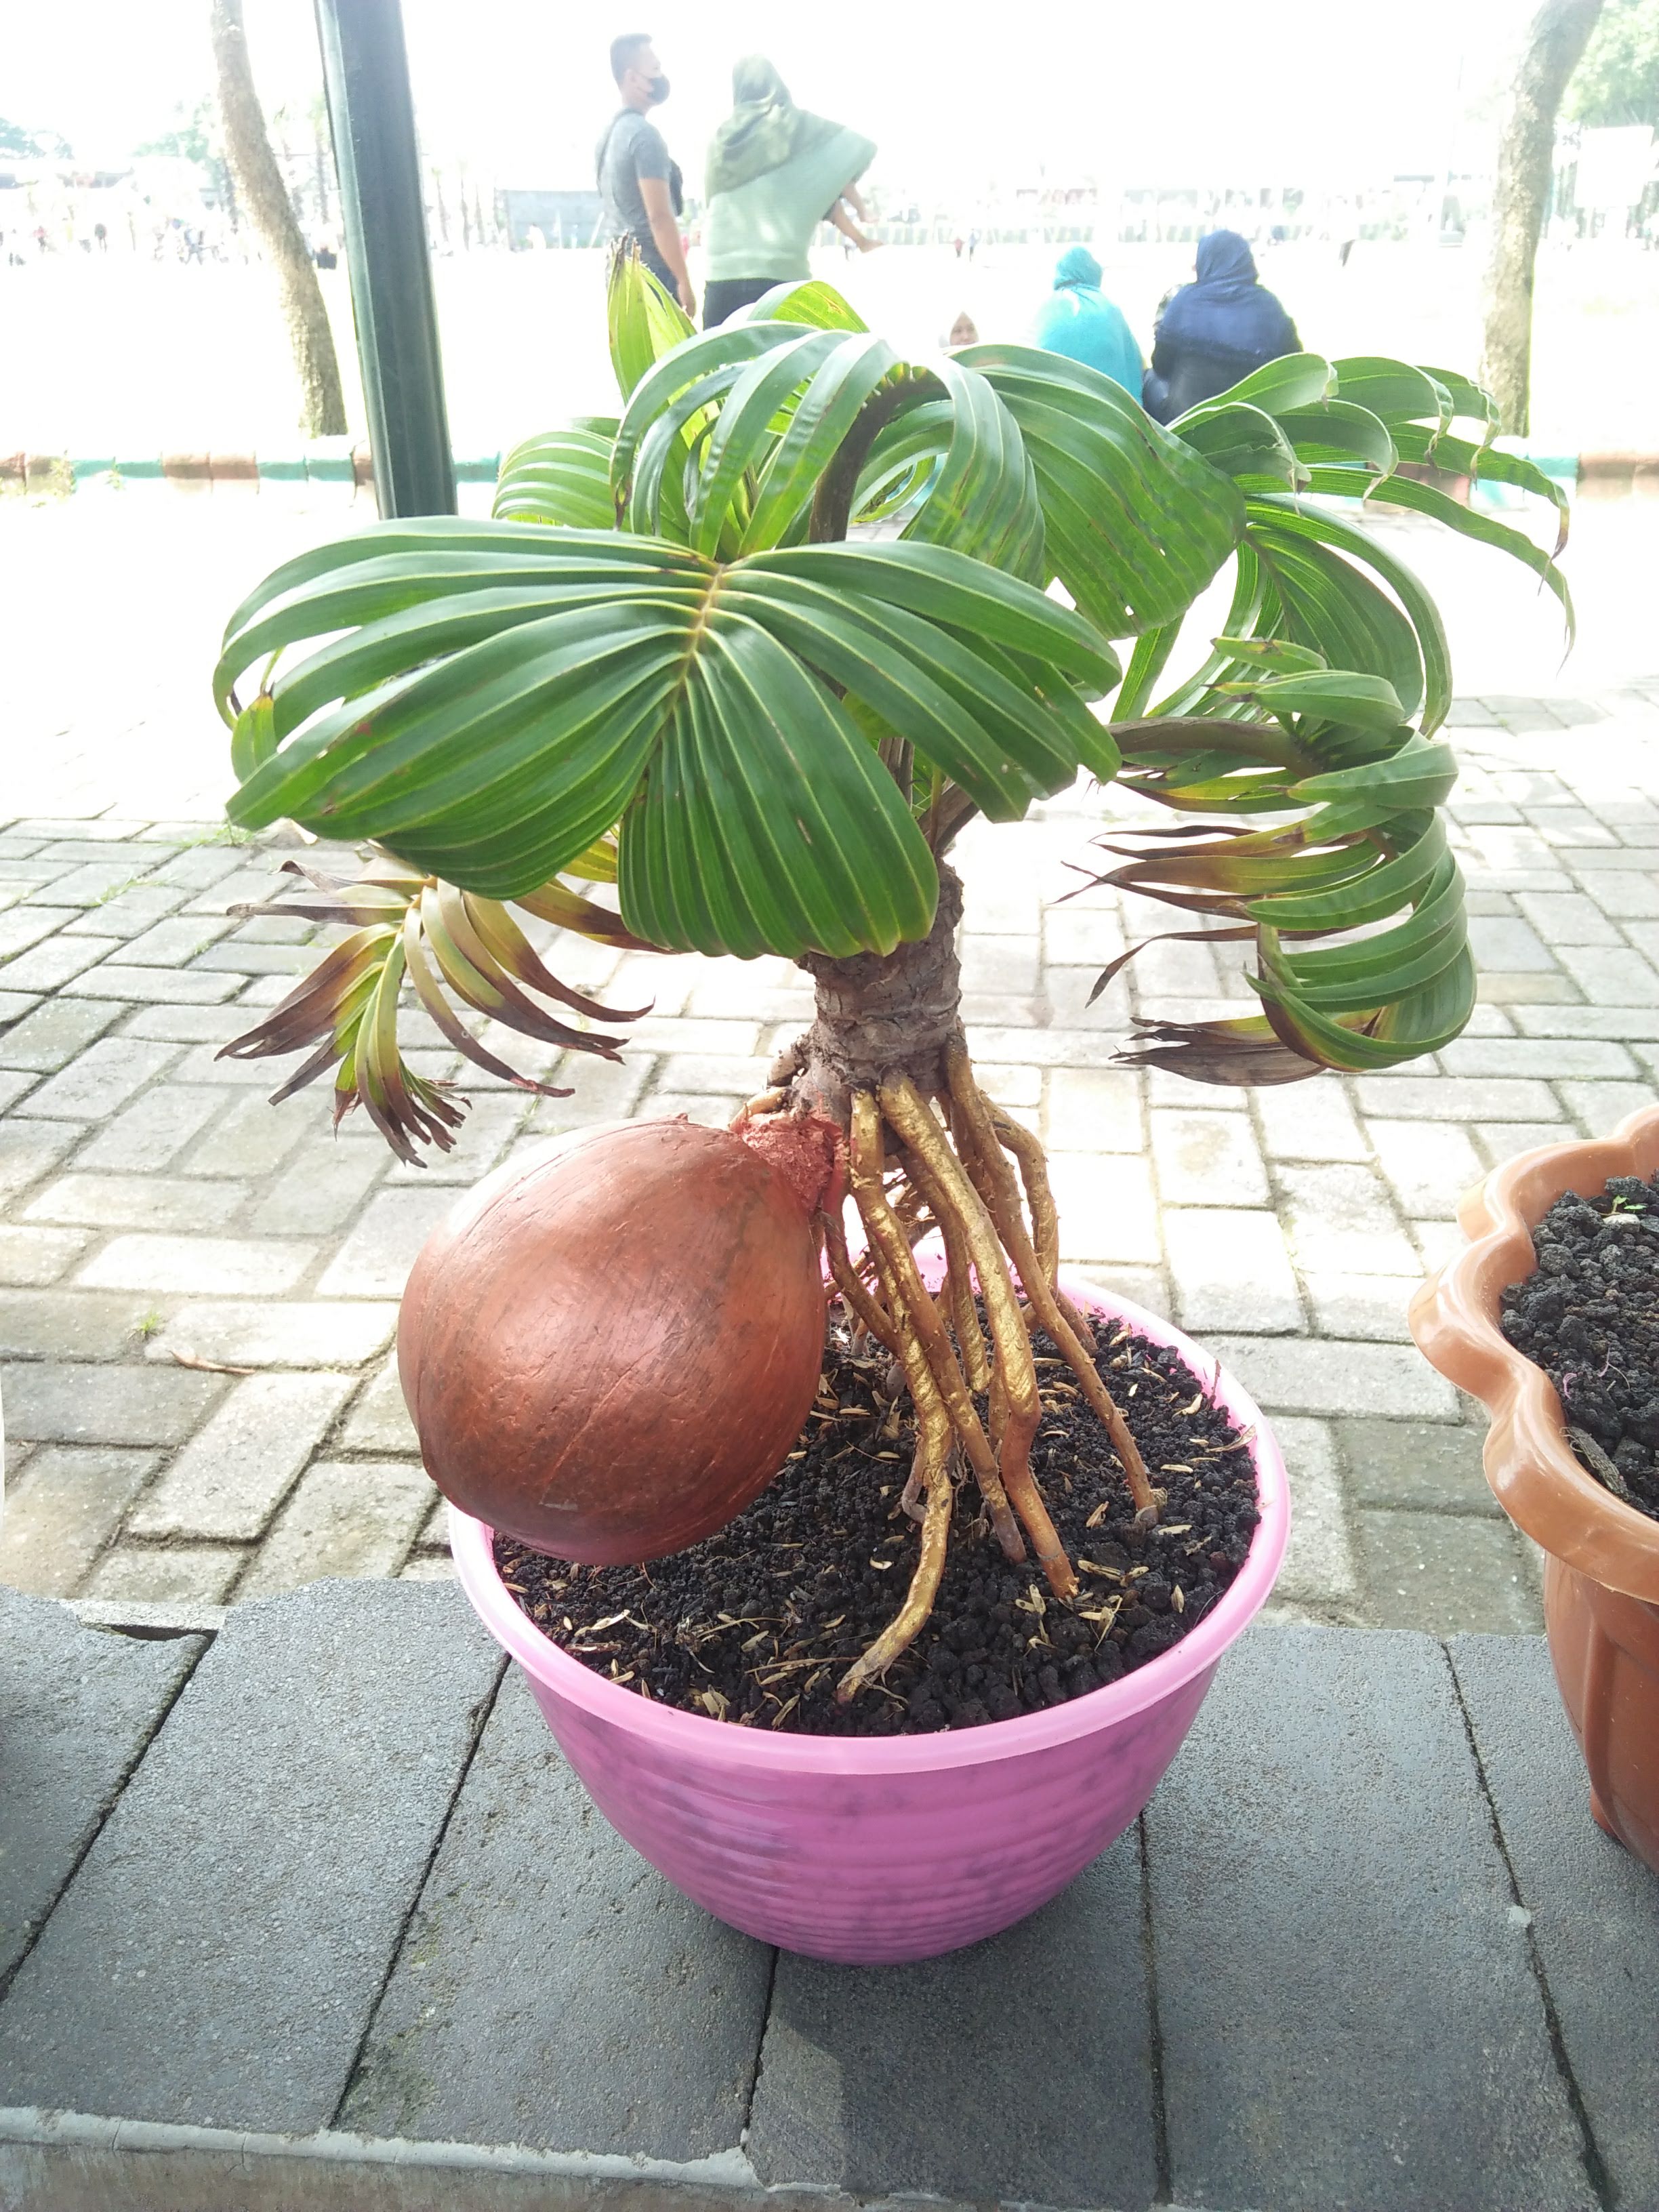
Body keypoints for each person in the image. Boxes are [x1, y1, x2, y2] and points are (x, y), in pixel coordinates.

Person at [700, 56, 875, 329]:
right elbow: (847, 155)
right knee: (785, 370)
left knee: (722, 368)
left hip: (722, 277)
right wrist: (863, 219)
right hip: (780, 281)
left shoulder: (720, 142)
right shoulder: (795, 131)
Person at [1141, 228, 1300, 424]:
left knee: (1149, 378)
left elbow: (1161, 365)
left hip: (1187, 423)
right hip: (1255, 424)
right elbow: (1296, 366)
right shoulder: (1270, 307)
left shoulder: (1186, 300)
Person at [597, 32, 695, 318]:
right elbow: (659, 217)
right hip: (652, 278)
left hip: (619, 278)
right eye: (654, 70)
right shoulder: (645, 137)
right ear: (632, 78)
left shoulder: (608, 138)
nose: (660, 77)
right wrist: (683, 280)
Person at [1031, 245, 1142, 396]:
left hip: (1053, 410)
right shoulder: (1109, 309)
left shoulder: (1046, 309)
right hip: (1111, 411)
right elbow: (1134, 362)